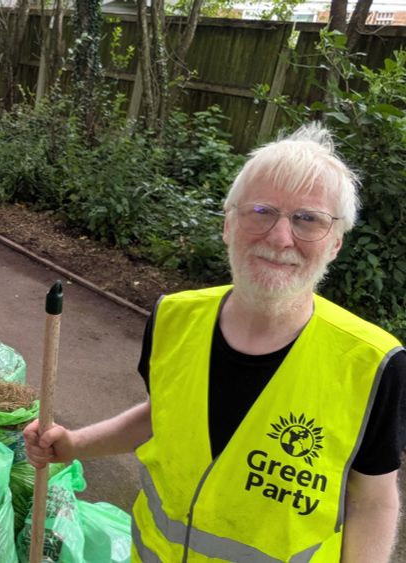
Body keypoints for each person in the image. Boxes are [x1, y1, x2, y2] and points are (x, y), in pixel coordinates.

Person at [24, 124, 405, 562]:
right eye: (261, 211)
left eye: (308, 219)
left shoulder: (373, 364)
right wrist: (73, 444)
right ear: (228, 224)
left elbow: (374, 501)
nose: (280, 237)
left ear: (335, 243)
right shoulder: (173, 317)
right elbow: (165, 416)